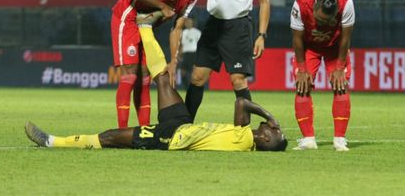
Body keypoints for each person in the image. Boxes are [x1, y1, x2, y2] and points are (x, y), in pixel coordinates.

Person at [24, 66, 288, 152]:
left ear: (265, 138)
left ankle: (51, 141)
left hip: (171, 137)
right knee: (162, 78)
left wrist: (269, 115)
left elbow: (242, 102)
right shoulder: (245, 139)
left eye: (275, 131)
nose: (274, 128)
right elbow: (241, 104)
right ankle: (145, 29)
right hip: (183, 125)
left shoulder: (245, 139)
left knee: (110, 137)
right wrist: (269, 121)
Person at [111, 0, 216, 128]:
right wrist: (162, 6)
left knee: (145, 76)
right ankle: (121, 130)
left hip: (144, 25)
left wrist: (173, 61)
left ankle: (143, 130)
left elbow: (177, 28)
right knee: (130, 73)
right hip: (128, 16)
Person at [291, 0, 355, 152]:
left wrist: (340, 67)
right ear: (315, 7)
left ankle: (340, 140)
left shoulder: (346, 4)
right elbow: (297, 38)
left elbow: (346, 38)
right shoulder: (300, 5)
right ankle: (308, 140)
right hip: (309, 48)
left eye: (326, 21)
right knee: (302, 85)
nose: (321, 24)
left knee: (341, 85)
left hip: (335, 47)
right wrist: (302, 69)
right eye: (318, 20)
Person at [179, 17, 201, 89]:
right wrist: (179, 55)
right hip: (186, 55)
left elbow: (201, 45)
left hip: (193, 54)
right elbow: (182, 45)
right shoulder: (183, 32)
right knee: (182, 73)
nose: (188, 23)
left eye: (189, 22)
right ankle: (187, 88)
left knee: (194, 73)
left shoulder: (197, 32)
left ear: (192, 23)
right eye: (186, 22)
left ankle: (196, 88)